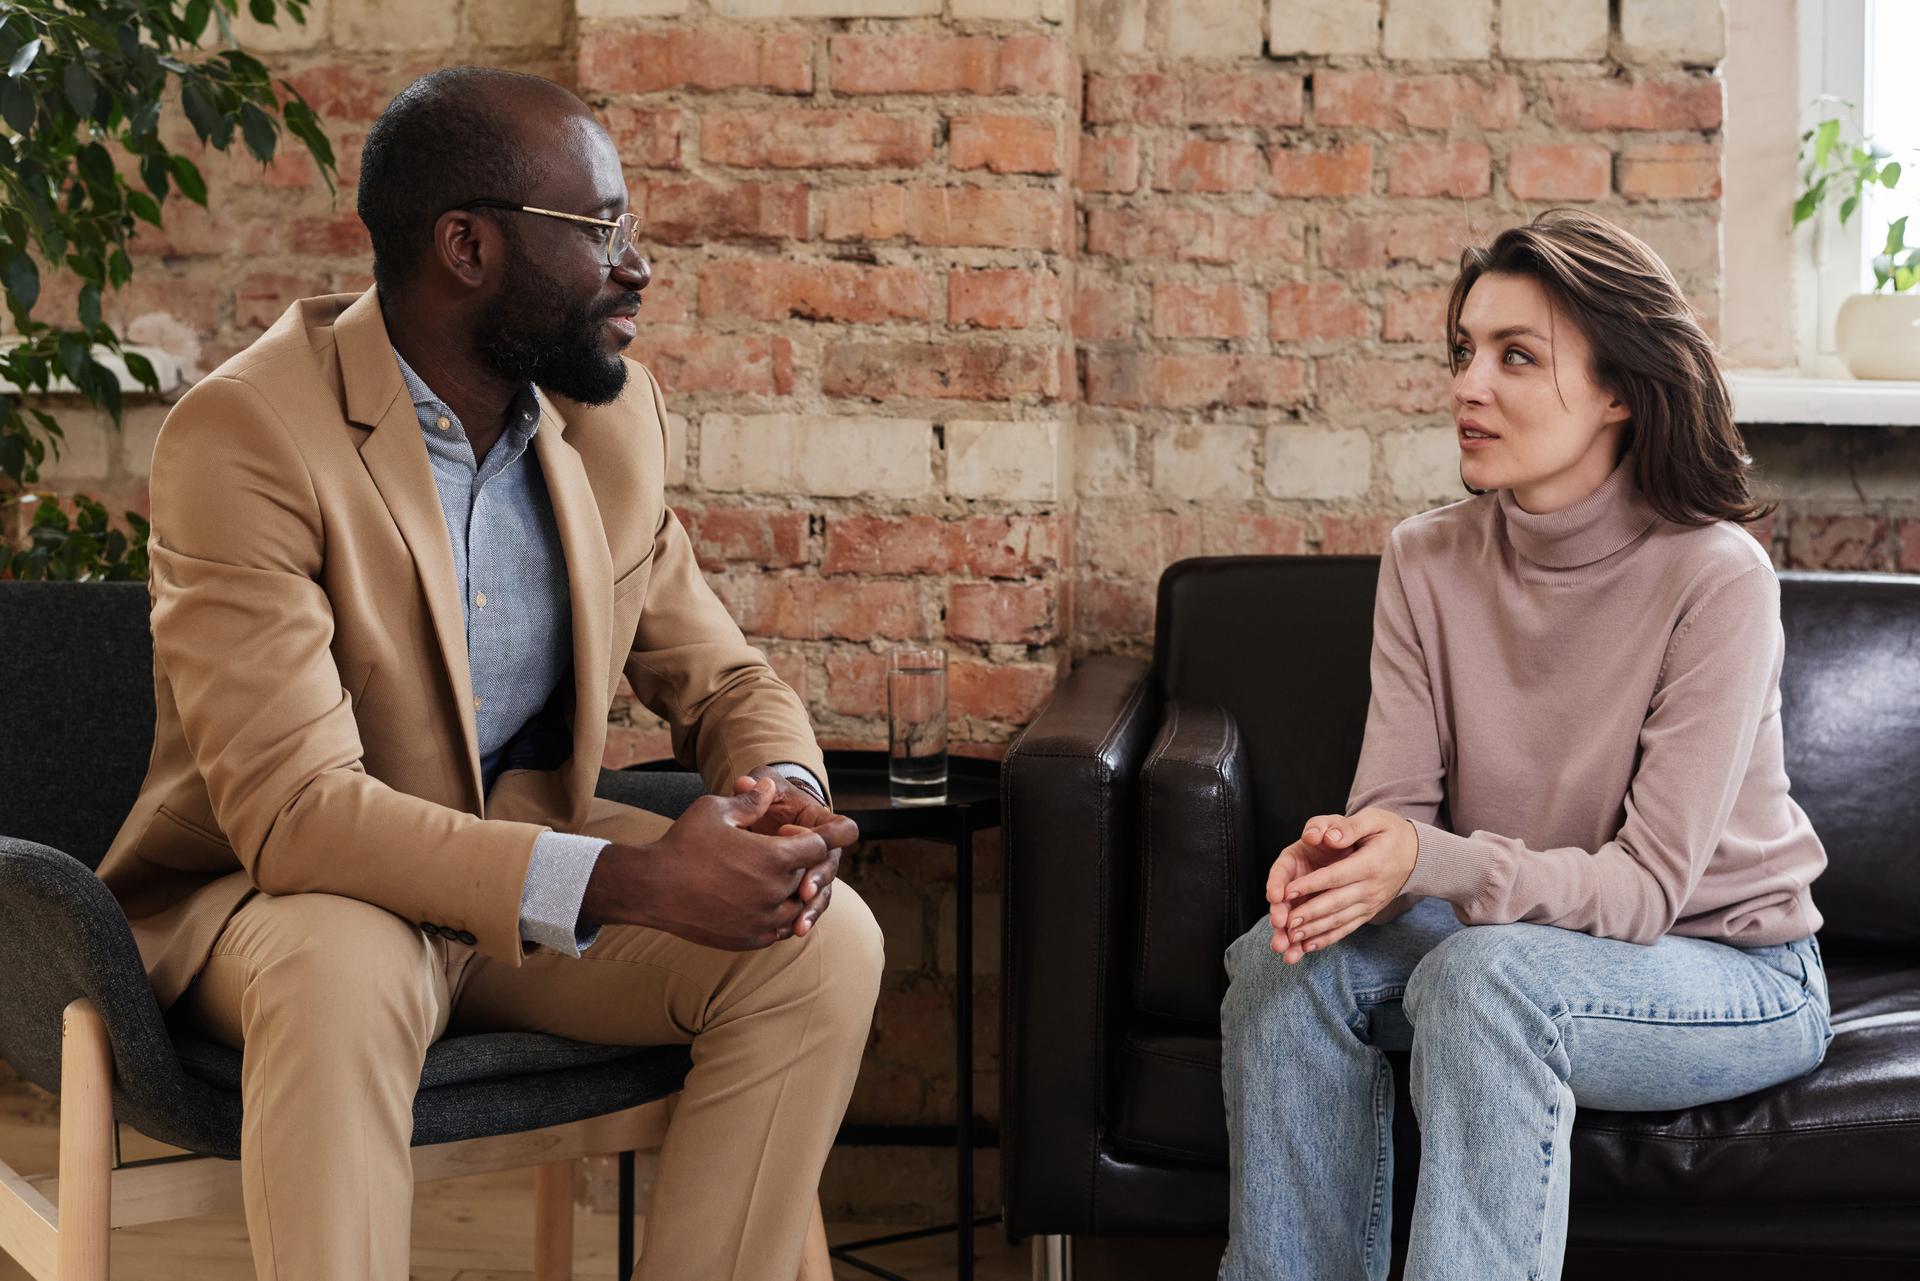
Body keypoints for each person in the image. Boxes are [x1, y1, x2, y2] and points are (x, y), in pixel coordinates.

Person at [95, 66, 883, 1281]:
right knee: (340, 967)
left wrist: (778, 790)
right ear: (466, 246)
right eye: (601, 228)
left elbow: (721, 675)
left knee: (820, 942)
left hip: (524, 889)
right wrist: (635, 881)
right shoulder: (248, 432)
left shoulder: (609, 424)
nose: (639, 264)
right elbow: (297, 817)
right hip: (291, 899)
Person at [1218, 209, 1832, 1281]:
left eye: (1515, 357)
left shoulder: (1716, 576)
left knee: (1484, 981)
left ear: (1618, 391)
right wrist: (1347, 869)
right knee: (1284, 966)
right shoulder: (1428, 559)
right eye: (1463, 352)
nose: (1469, 385)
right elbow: (1399, 816)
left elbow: (1644, 893)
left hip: (1731, 966)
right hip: (1513, 946)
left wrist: (1429, 863)